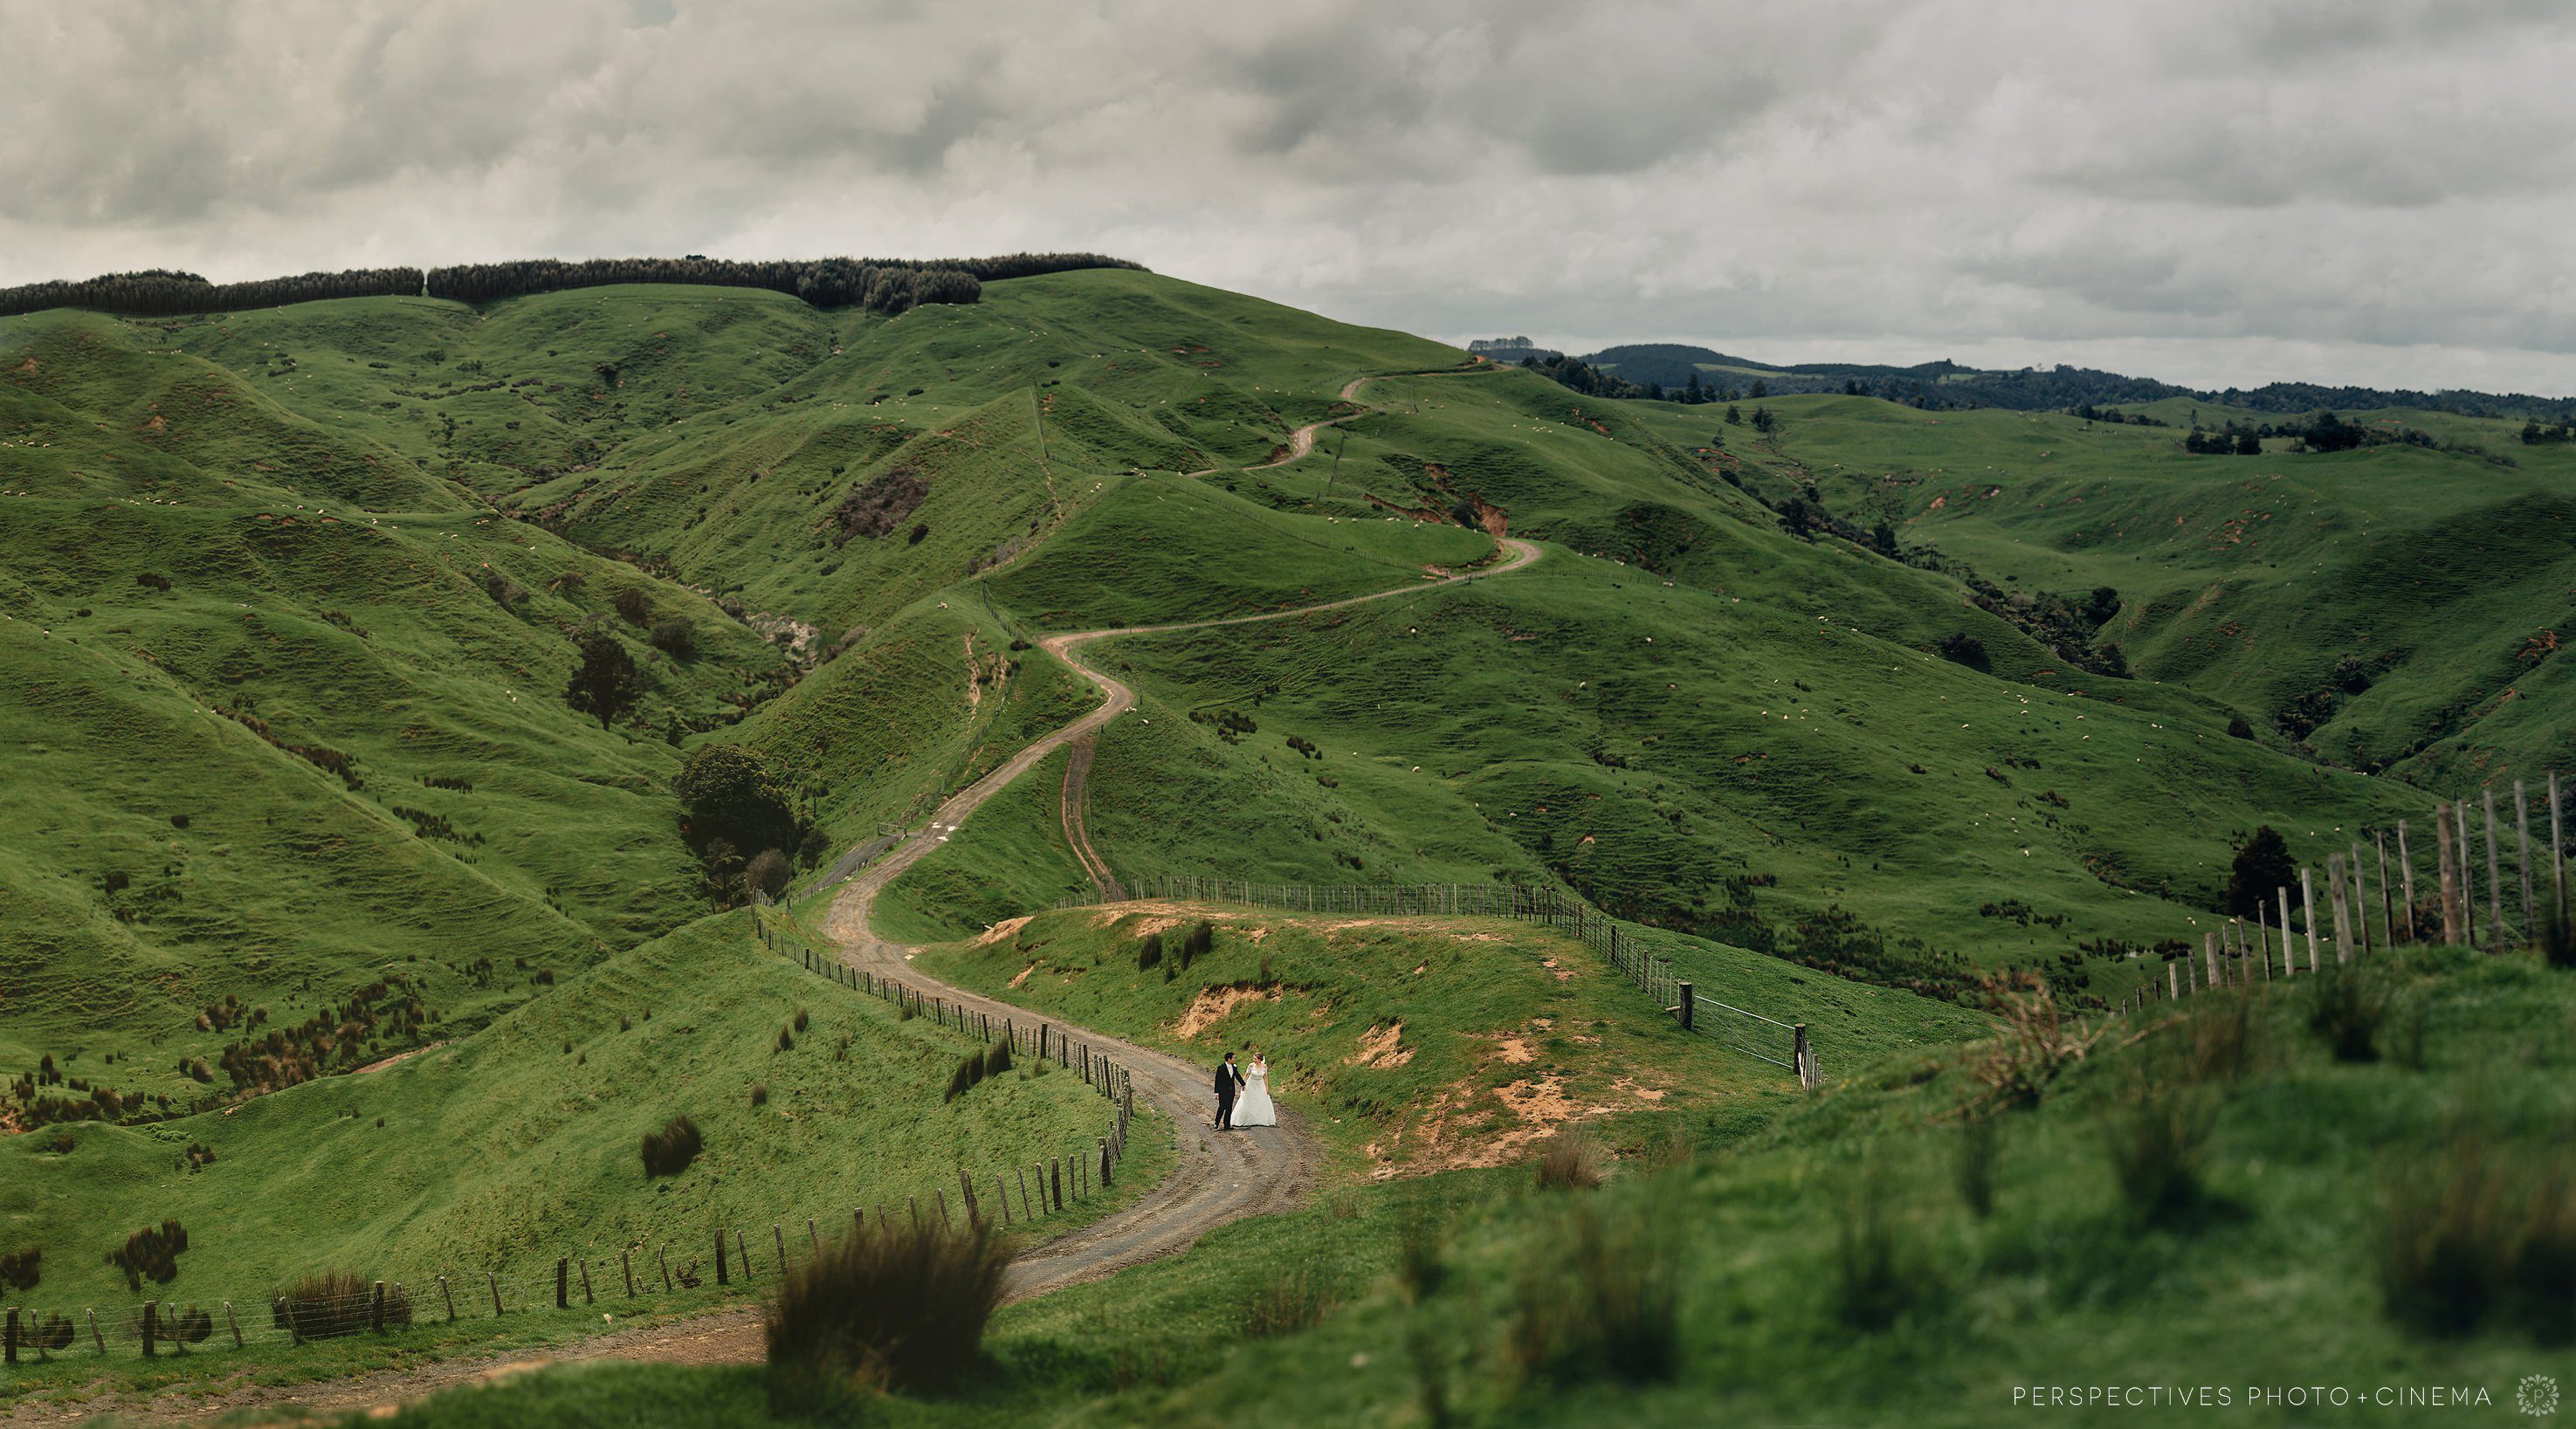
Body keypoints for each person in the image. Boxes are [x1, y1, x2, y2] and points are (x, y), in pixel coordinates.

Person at [1235, 1051, 1278, 1128]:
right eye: (1253, 1058)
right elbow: (1246, 1075)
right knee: (1249, 1100)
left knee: (1260, 1100)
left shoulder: (1264, 1066)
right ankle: (1247, 1118)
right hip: (1251, 1084)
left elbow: (1265, 1078)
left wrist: (1267, 1088)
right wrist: (1243, 1084)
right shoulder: (1251, 1065)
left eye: (1255, 1059)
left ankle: (1259, 1119)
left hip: (1260, 1085)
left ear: (1260, 1059)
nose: (1254, 1060)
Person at [1213, 1051, 1243, 1130]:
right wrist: (1216, 1092)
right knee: (1222, 1107)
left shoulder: (1234, 1067)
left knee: (1229, 1107)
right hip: (1223, 1091)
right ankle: (1216, 1123)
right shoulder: (1221, 1068)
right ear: (1229, 1059)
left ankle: (1227, 1125)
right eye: (1233, 1058)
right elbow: (1217, 1080)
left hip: (1231, 1090)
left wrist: (1244, 1084)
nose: (1235, 1059)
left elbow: (1238, 1076)